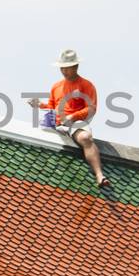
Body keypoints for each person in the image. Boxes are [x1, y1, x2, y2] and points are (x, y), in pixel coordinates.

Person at [39, 48, 111, 189]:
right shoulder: (56, 86)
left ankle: (99, 175)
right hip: (57, 123)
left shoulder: (86, 85)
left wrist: (73, 116)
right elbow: (52, 106)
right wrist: (40, 105)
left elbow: (91, 108)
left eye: (67, 68)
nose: (64, 71)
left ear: (76, 67)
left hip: (74, 123)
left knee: (85, 138)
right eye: (62, 68)